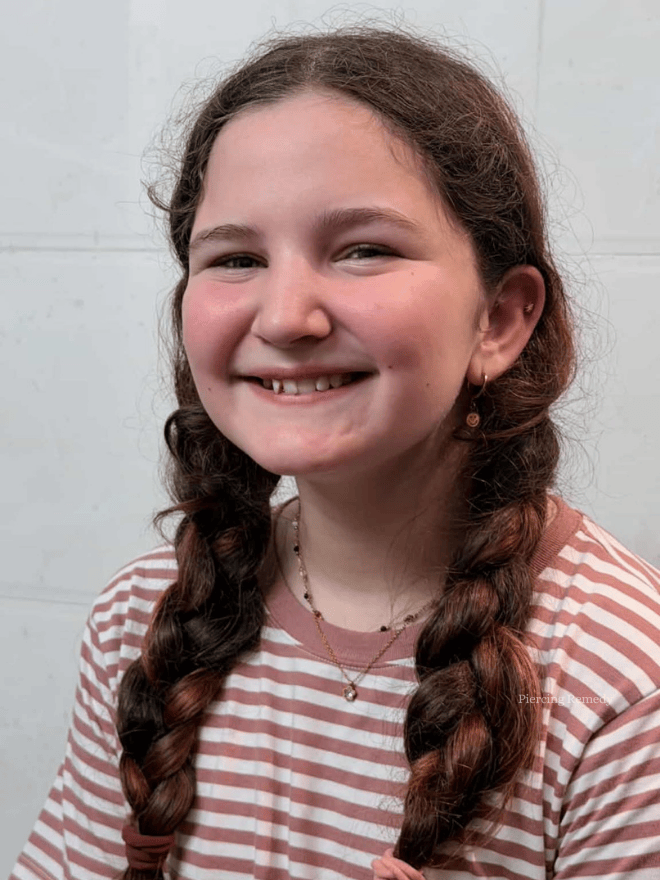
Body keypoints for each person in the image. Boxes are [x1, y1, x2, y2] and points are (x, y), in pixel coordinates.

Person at [10, 25, 660, 880]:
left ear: (499, 320)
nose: (285, 316)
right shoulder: (146, 621)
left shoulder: (619, 680)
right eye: (236, 257)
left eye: (364, 250)